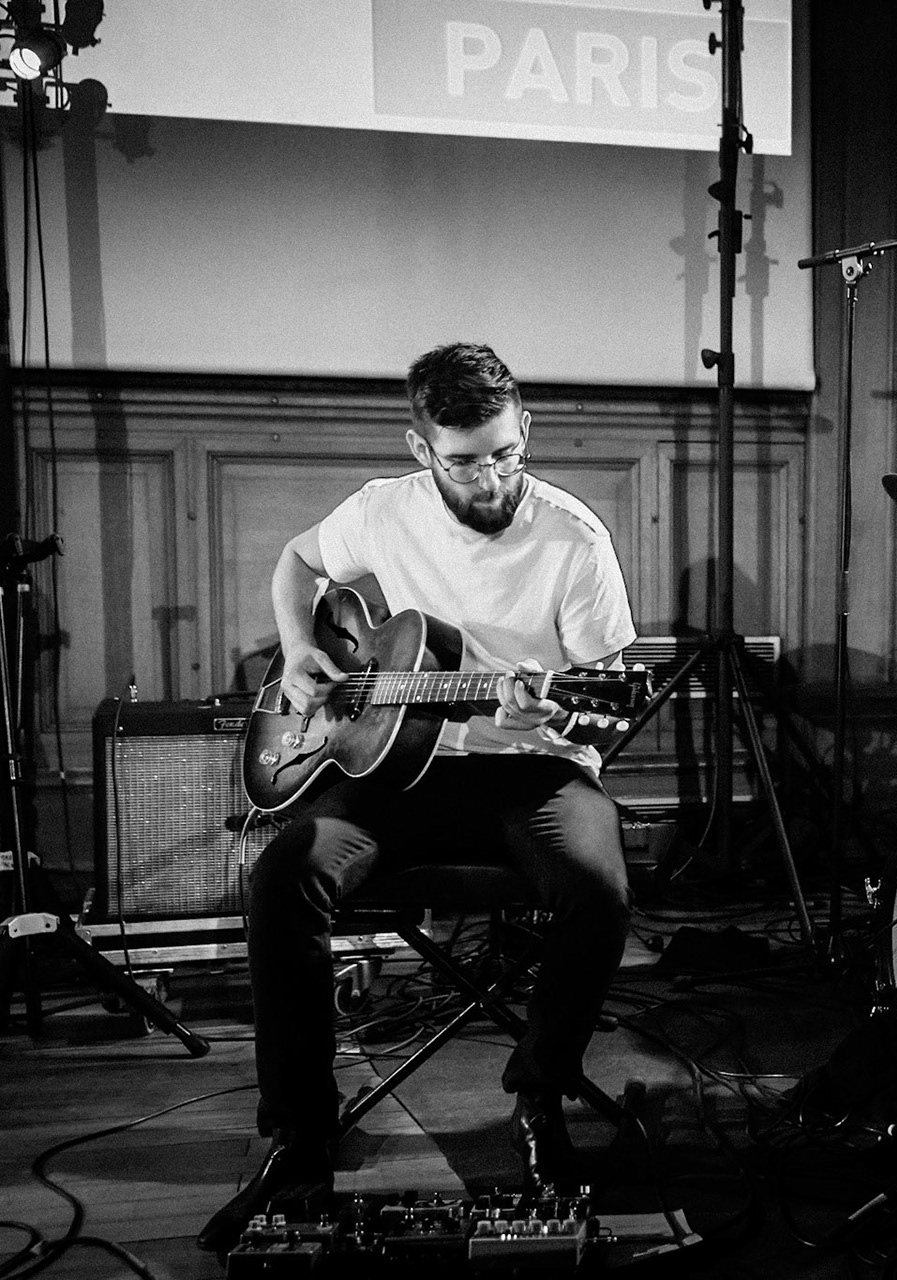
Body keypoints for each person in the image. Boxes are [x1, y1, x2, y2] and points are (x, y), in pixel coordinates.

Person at [199, 343, 639, 1254]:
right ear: (419, 447)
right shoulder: (381, 511)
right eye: (465, 460)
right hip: (394, 770)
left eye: (507, 454)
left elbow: (606, 711)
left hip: (532, 768)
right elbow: (297, 562)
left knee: (598, 891)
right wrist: (296, 653)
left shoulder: (573, 538)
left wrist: (541, 713)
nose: (490, 479)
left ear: (528, 433)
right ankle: (301, 1137)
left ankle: (538, 1098)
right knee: (284, 873)